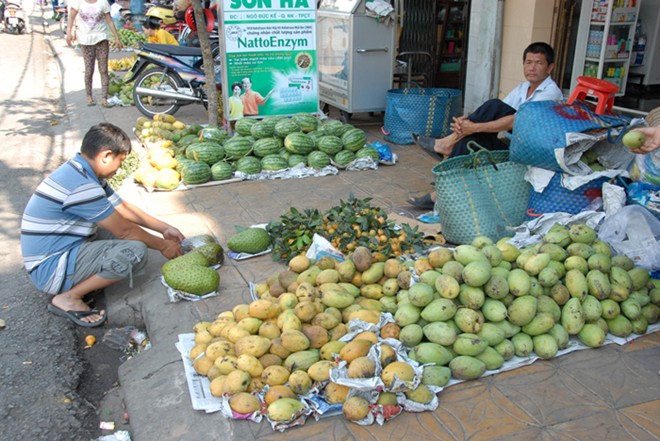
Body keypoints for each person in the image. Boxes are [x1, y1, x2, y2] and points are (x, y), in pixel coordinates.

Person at [20, 124, 185, 327]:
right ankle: (69, 297)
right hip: (50, 269)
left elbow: (122, 208)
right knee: (134, 250)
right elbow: (125, 231)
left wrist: (164, 228)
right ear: (106, 156)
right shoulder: (82, 186)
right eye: (120, 162)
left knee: (113, 225)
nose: (119, 169)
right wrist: (163, 245)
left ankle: (81, 282)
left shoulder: (81, 171)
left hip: (59, 252)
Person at [410, 41, 564, 210]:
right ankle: (439, 190)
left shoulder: (551, 92)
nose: (532, 68)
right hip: (515, 144)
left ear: (550, 68)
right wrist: (467, 123)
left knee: (491, 110)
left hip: (530, 152)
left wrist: (472, 126)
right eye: (528, 62)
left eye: (539, 63)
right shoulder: (524, 87)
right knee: (474, 136)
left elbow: (515, 120)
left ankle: (447, 145)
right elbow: (500, 113)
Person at [66, 0, 123, 107]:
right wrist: (69, 32)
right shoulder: (78, 2)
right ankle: (89, 96)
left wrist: (116, 37)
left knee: (104, 70)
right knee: (89, 70)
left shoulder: (103, 2)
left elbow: (109, 20)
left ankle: (104, 98)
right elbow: (71, 17)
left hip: (101, 39)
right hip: (85, 41)